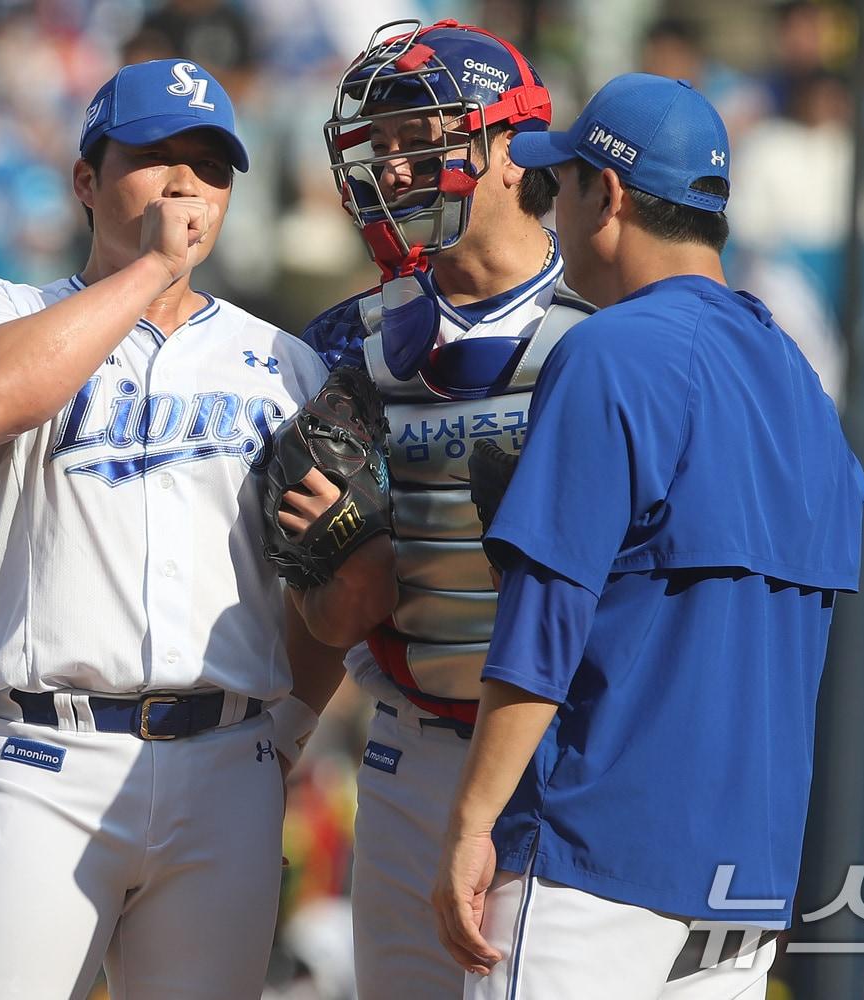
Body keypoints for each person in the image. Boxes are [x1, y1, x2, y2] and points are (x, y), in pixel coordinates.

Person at [431, 73, 864, 998]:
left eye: (564, 186)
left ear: (612, 195)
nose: (550, 211)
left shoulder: (608, 351)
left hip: (595, 862)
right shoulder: (802, 384)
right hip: (743, 883)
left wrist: (472, 820)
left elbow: (543, 630)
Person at [0, 59, 334, 999]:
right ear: (85, 183)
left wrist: (286, 735)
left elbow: (326, 576)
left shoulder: (285, 362)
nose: (185, 183)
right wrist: (150, 268)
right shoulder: (0, 309)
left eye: (209, 164)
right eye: (154, 157)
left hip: (228, 768)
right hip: (44, 763)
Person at [265, 20, 591, 1000]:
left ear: (507, 149)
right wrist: (343, 569)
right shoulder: (341, 344)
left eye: (420, 137)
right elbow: (325, 618)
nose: (395, 168)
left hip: (564, 754)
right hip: (406, 748)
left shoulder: (607, 325)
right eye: (382, 145)